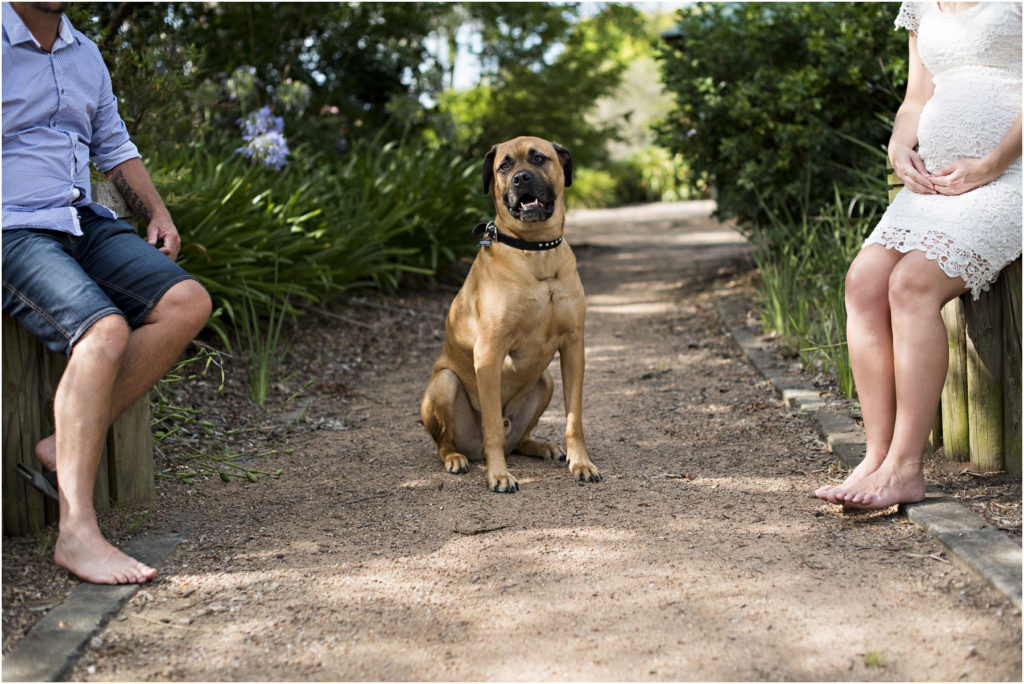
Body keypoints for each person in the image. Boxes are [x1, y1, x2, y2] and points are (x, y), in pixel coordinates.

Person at [2, 2, 212, 583]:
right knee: (104, 331)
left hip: (76, 218)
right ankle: (76, 533)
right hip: (11, 224)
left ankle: (60, 444)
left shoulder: (84, 53)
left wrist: (158, 213)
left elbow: (112, 142)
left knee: (187, 302)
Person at [815, 1, 1021, 510]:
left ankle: (906, 469)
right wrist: (899, 146)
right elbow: (916, 97)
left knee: (911, 283)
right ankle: (877, 456)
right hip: (936, 186)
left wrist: (993, 163)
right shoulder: (921, 4)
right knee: (863, 282)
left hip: (1010, 175)